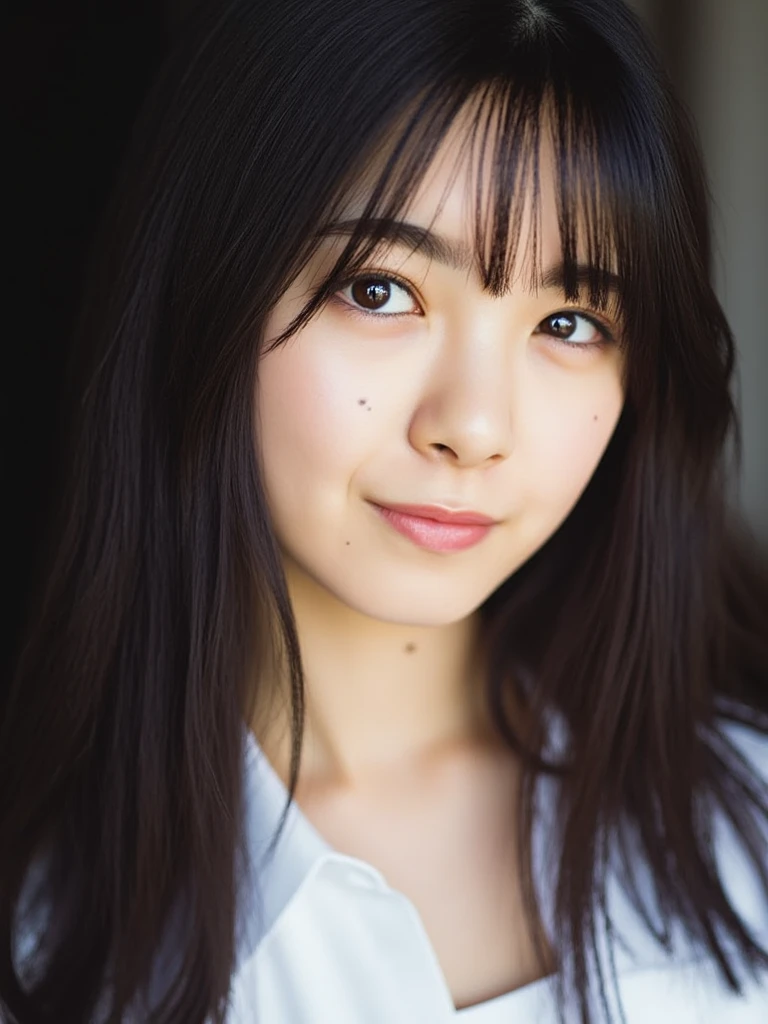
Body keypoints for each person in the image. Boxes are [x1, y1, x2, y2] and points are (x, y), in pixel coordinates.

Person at [2, 0, 767, 1021]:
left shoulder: (747, 824)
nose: (476, 425)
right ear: (204, 291)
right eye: (379, 290)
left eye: (570, 319)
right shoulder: (46, 937)